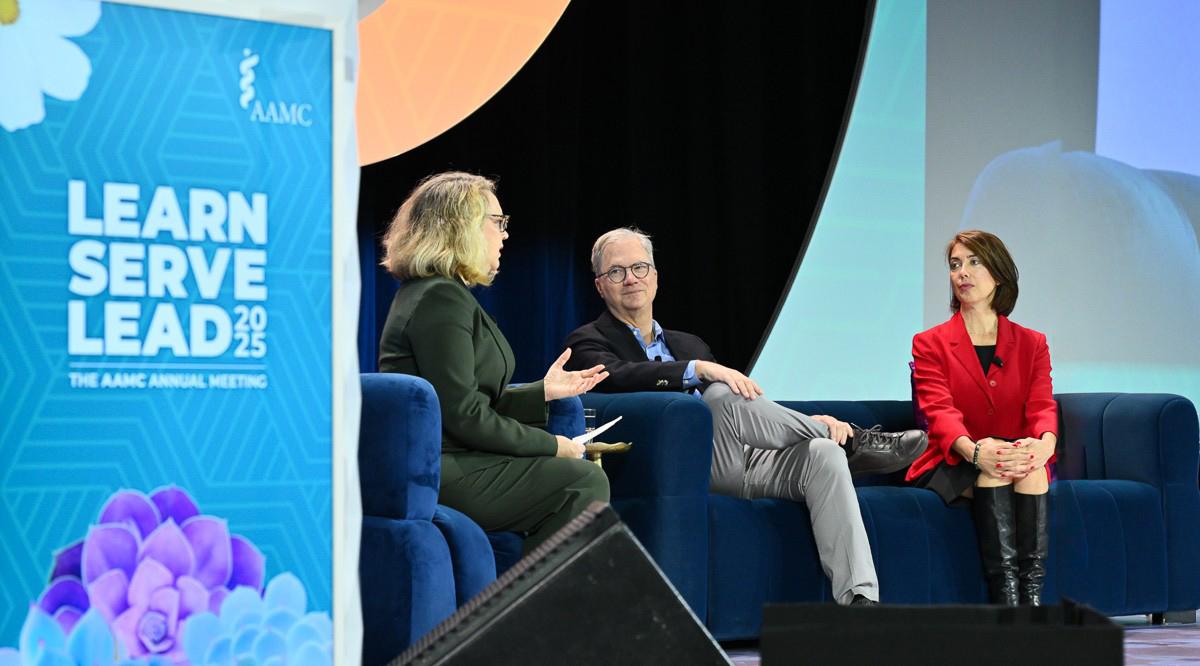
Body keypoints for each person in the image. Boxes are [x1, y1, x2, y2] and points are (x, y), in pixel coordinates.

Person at [564, 227, 928, 605]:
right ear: (600, 286)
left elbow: (747, 409)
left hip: (739, 460)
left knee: (824, 454)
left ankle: (859, 600)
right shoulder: (587, 342)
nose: (631, 279)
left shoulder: (688, 343)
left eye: (639, 267)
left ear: (655, 276)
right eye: (617, 272)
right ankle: (856, 440)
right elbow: (619, 377)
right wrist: (697, 370)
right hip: (677, 470)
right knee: (720, 394)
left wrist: (818, 430)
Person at [377, 172, 611, 553]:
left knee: (578, 479)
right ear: (460, 227)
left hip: (452, 457)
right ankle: (538, 607)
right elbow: (464, 415)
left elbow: (463, 401)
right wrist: (551, 445)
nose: (504, 234)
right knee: (581, 481)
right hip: (441, 468)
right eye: (497, 222)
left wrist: (543, 393)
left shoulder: (438, 292)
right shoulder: (440, 297)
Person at [906, 230, 1057, 606]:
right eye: (955, 265)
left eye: (974, 262)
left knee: (1030, 468)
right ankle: (1006, 600)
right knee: (995, 467)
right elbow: (938, 412)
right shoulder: (930, 342)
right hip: (951, 457)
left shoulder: (1031, 342)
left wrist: (1044, 445)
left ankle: (1031, 599)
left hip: (1012, 453)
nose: (962, 273)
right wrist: (975, 452)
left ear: (999, 275)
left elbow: (1042, 407)